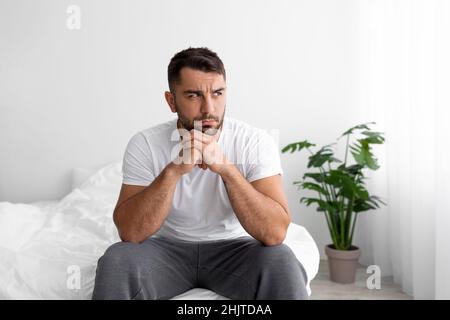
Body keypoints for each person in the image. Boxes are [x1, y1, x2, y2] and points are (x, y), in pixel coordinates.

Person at [92, 47, 308, 300]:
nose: (209, 108)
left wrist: (227, 170)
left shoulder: (255, 141)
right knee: (117, 259)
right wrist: (173, 171)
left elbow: (274, 233)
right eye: (194, 95)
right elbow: (130, 233)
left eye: (217, 93)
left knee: (282, 260)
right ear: (171, 101)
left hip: (237, 250)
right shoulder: (145, 143)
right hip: (166, 250)